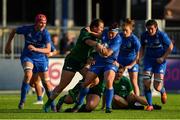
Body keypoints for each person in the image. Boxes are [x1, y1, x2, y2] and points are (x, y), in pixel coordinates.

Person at [43, 19, 104, 112]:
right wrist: (97, 44)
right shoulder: (85, 31)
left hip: (82, 63)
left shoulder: (98, 37)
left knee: (95, 80)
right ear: (94, 27)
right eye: (101, 28)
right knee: (62, 86)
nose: (102, 30)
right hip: (72, 60)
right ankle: (48, 105)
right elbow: (88, 42)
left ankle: (74, 92)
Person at [5, 14, 56, 110]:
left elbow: (49, 49)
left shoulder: (45, 33)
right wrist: (8, 45)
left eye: (45, 23)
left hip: (41, 59)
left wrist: (36, 49)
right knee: (28, 75)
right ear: (36, 23)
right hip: (28, 56)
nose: (43, 25)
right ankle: (22, 102)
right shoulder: (27, 29)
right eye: (41, 22)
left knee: (46, 83)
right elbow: (13, 31)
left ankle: (52, 106)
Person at [71, 22, 122, 113]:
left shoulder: (118, 40)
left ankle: (108, 107)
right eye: (109, 32)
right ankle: (78, 104)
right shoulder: (105, 32)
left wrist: (98, 46)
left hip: (110, 63)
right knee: (86, 82)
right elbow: (97, 35)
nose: (110, 35)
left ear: (117, 32)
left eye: (112, 33)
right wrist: (86, 31)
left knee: (109, 82)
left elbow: (107, 53)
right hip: (98, 62)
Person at [140, 19, 173, 111]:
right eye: (148, 29)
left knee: (157, 87)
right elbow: (142, 47)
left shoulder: (162, 35)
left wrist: (163, 57)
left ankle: (163, 91)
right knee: (146, 82)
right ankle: (150, 105)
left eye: (151, 29)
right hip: (148, 60)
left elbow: (170, 47)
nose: (150, 31)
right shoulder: (144, 35)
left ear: (156, 28)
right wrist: (139, 57)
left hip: (160, 62)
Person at [118, 18, 141, 96]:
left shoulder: (135, 40)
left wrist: (131, 65)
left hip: (132, 62)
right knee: (113, 80)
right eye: (123, 30)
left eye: (126, 30)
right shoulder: (119, 36)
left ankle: (137, 101)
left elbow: (138, 56)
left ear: (131, 30)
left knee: (134, 81)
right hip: (120, 62)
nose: (124, 32)